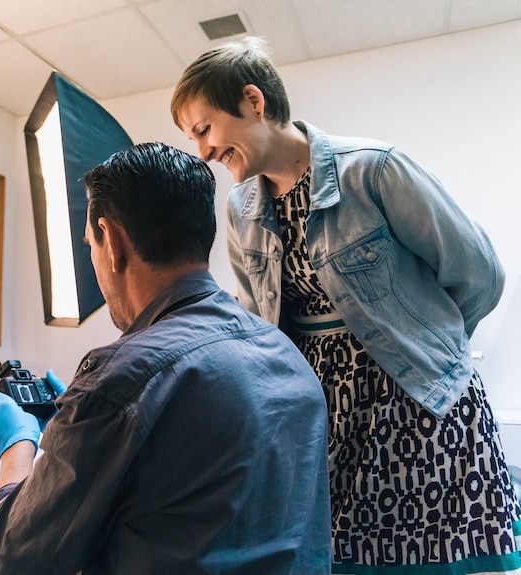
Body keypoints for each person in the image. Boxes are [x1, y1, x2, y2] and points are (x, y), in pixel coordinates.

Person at [171, 36, 521, 573]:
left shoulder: (375, 171)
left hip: (419, 402)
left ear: (253, 101)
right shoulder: (240, 208)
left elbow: (480, 274)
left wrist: (429, 343)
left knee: (436, 561)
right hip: (323, 416)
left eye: (205, 129)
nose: (203, 152)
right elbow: (255, 323)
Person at [0, 142, 331, 574]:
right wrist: (81, 427)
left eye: (90, 244)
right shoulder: (285, 353)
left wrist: (18, 445)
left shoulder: (120, 381)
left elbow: (12, 558)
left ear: (113, 242)